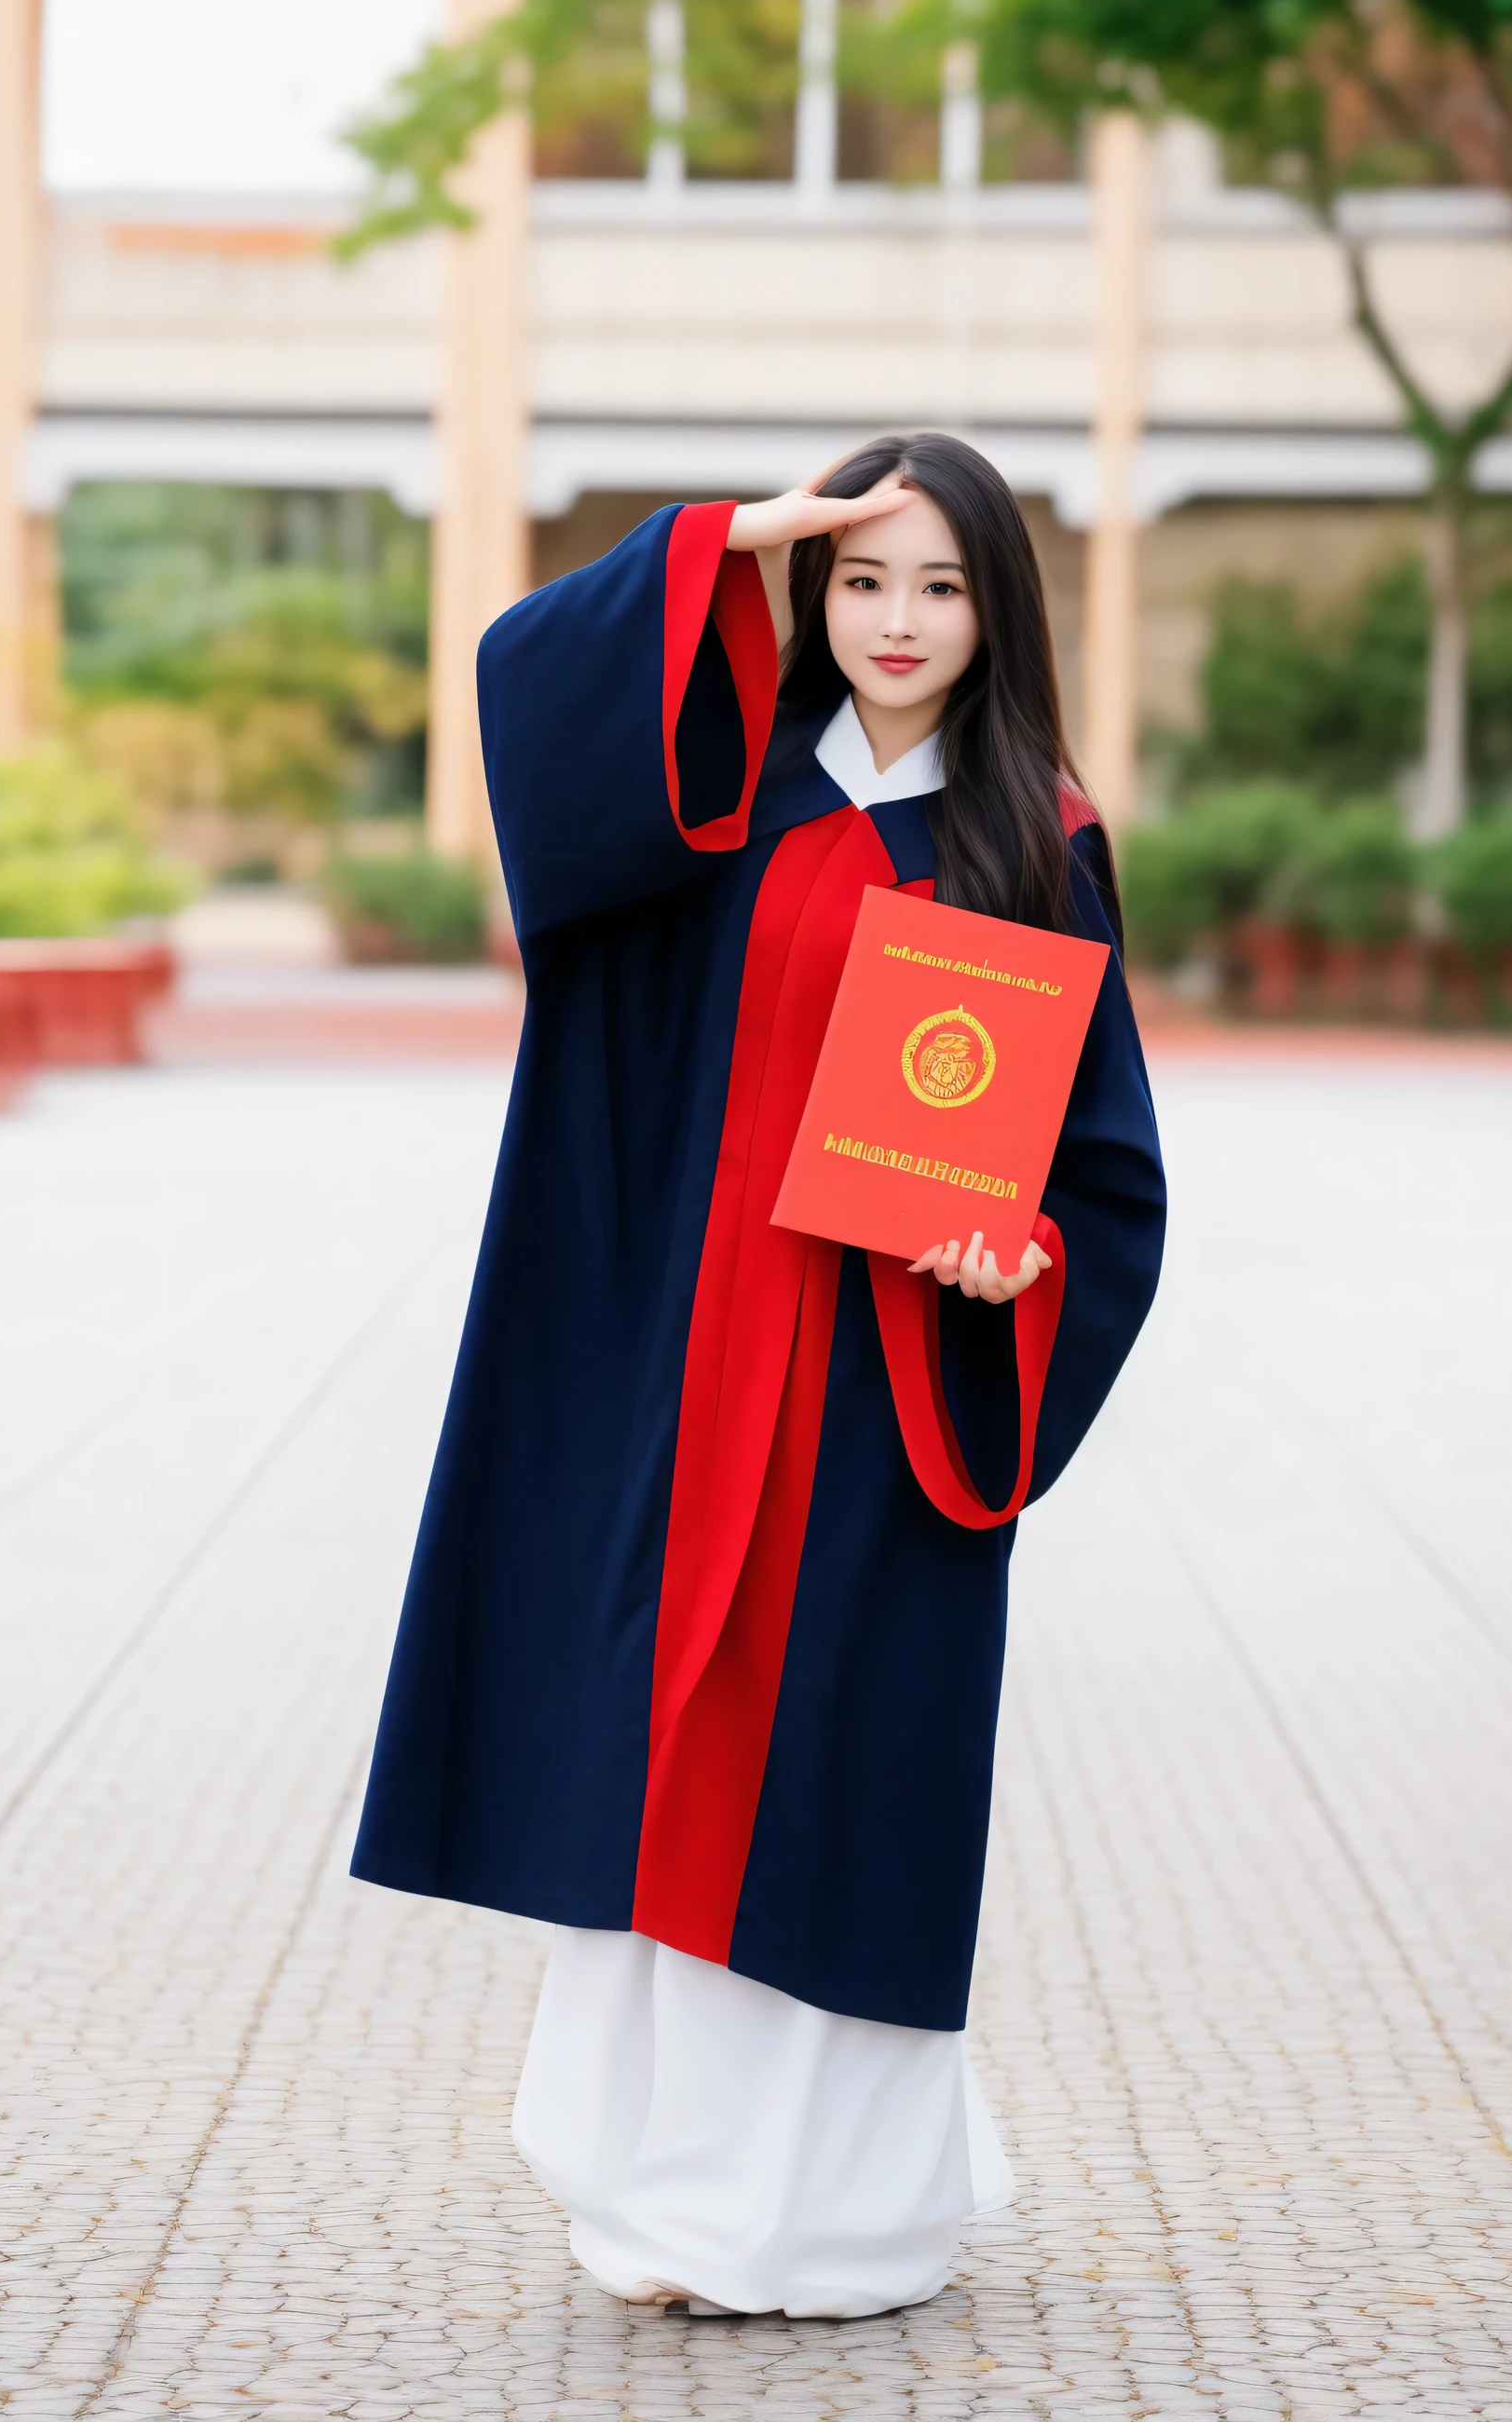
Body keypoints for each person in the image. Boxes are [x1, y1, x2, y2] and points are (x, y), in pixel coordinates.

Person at [351, 430, 1167, 2320]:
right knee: (667, 1767)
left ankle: (841, 2219)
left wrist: (1011, 1259)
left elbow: (1096, 1168)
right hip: (693, 1363)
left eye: (943, 585)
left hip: (884, 1393)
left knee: (838, 1784)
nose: (897, 621)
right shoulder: (718, 807)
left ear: (1000, 610)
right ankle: (658, 2198)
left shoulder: (1036, 835)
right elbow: (530, 689)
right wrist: (722, 539)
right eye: (863, 578)